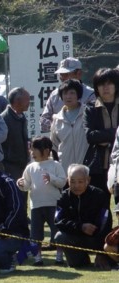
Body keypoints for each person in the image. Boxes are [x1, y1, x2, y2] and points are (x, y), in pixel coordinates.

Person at [16, 137, 66, 265]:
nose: (32, 152)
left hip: (53, 204)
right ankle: (38, 258)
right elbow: (26, 185)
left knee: (57, 231)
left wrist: (52, 178)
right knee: (36, 234)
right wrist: (20, 184)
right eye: (31, 149)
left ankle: (59, 257)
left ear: (46, 150)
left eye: (35, 149)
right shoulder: (30, 167)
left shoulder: (55, 165)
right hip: (36, 205)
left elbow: (62, 182)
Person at [54, 164, 112, 269]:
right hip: (75, 237)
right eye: (72, 181)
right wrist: (81, 226)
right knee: (59, 236)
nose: (76, 185)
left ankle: (103, 258)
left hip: (96, 239)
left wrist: (101, 253)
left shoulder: (99, 195)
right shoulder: (63, 197)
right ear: (67, 180)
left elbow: (106, 225)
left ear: (88, 180)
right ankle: (80, 261)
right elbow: (59, 221)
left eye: (80, 182)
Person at [83, 67, 119, 199]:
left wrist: (104, 136)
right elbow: (90, 136)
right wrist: (116, 134)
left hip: (118, 164)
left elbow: (97, 135)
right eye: (101, 84)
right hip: (98, 165)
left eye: (109, 83)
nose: (105, 87)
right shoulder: (90, 108)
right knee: (100, 206)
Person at [40, 57, 96, 133]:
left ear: (79, 74)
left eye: (66, 74)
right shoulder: (54, 95)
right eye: (61, 74)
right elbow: (43, 120)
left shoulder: (90, 94)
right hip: (60, 141)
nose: (62, 78)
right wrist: (60, 126)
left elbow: (95, 121)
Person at [51, 79, 90, 174]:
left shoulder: (88, 113)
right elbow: (54, 146)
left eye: (72, 93)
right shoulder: (57, 119)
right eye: (65, 93)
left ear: (78, 95)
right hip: (65, 170)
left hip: (87, 168)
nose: (68, 96)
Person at [1, 87, 31, 181]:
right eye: (27, 100)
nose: (29, 103)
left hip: (22, 164)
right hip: (10, 166)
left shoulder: (21, 116)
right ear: (18, 102)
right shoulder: (4, 119)